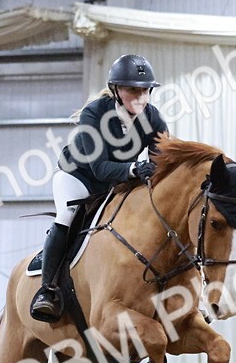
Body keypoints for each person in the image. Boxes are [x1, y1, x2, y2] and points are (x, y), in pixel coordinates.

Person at [30, 53, 169, 323]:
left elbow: (162, 157)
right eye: (132, 90)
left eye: (145, 90)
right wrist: (133, 169)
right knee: (67, 217)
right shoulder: (96, 113)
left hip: (116, 183)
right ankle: (47, 289)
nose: (140, 96)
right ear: (117, 90)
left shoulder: (153, 118)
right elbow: (99, 168)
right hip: (78, 178)